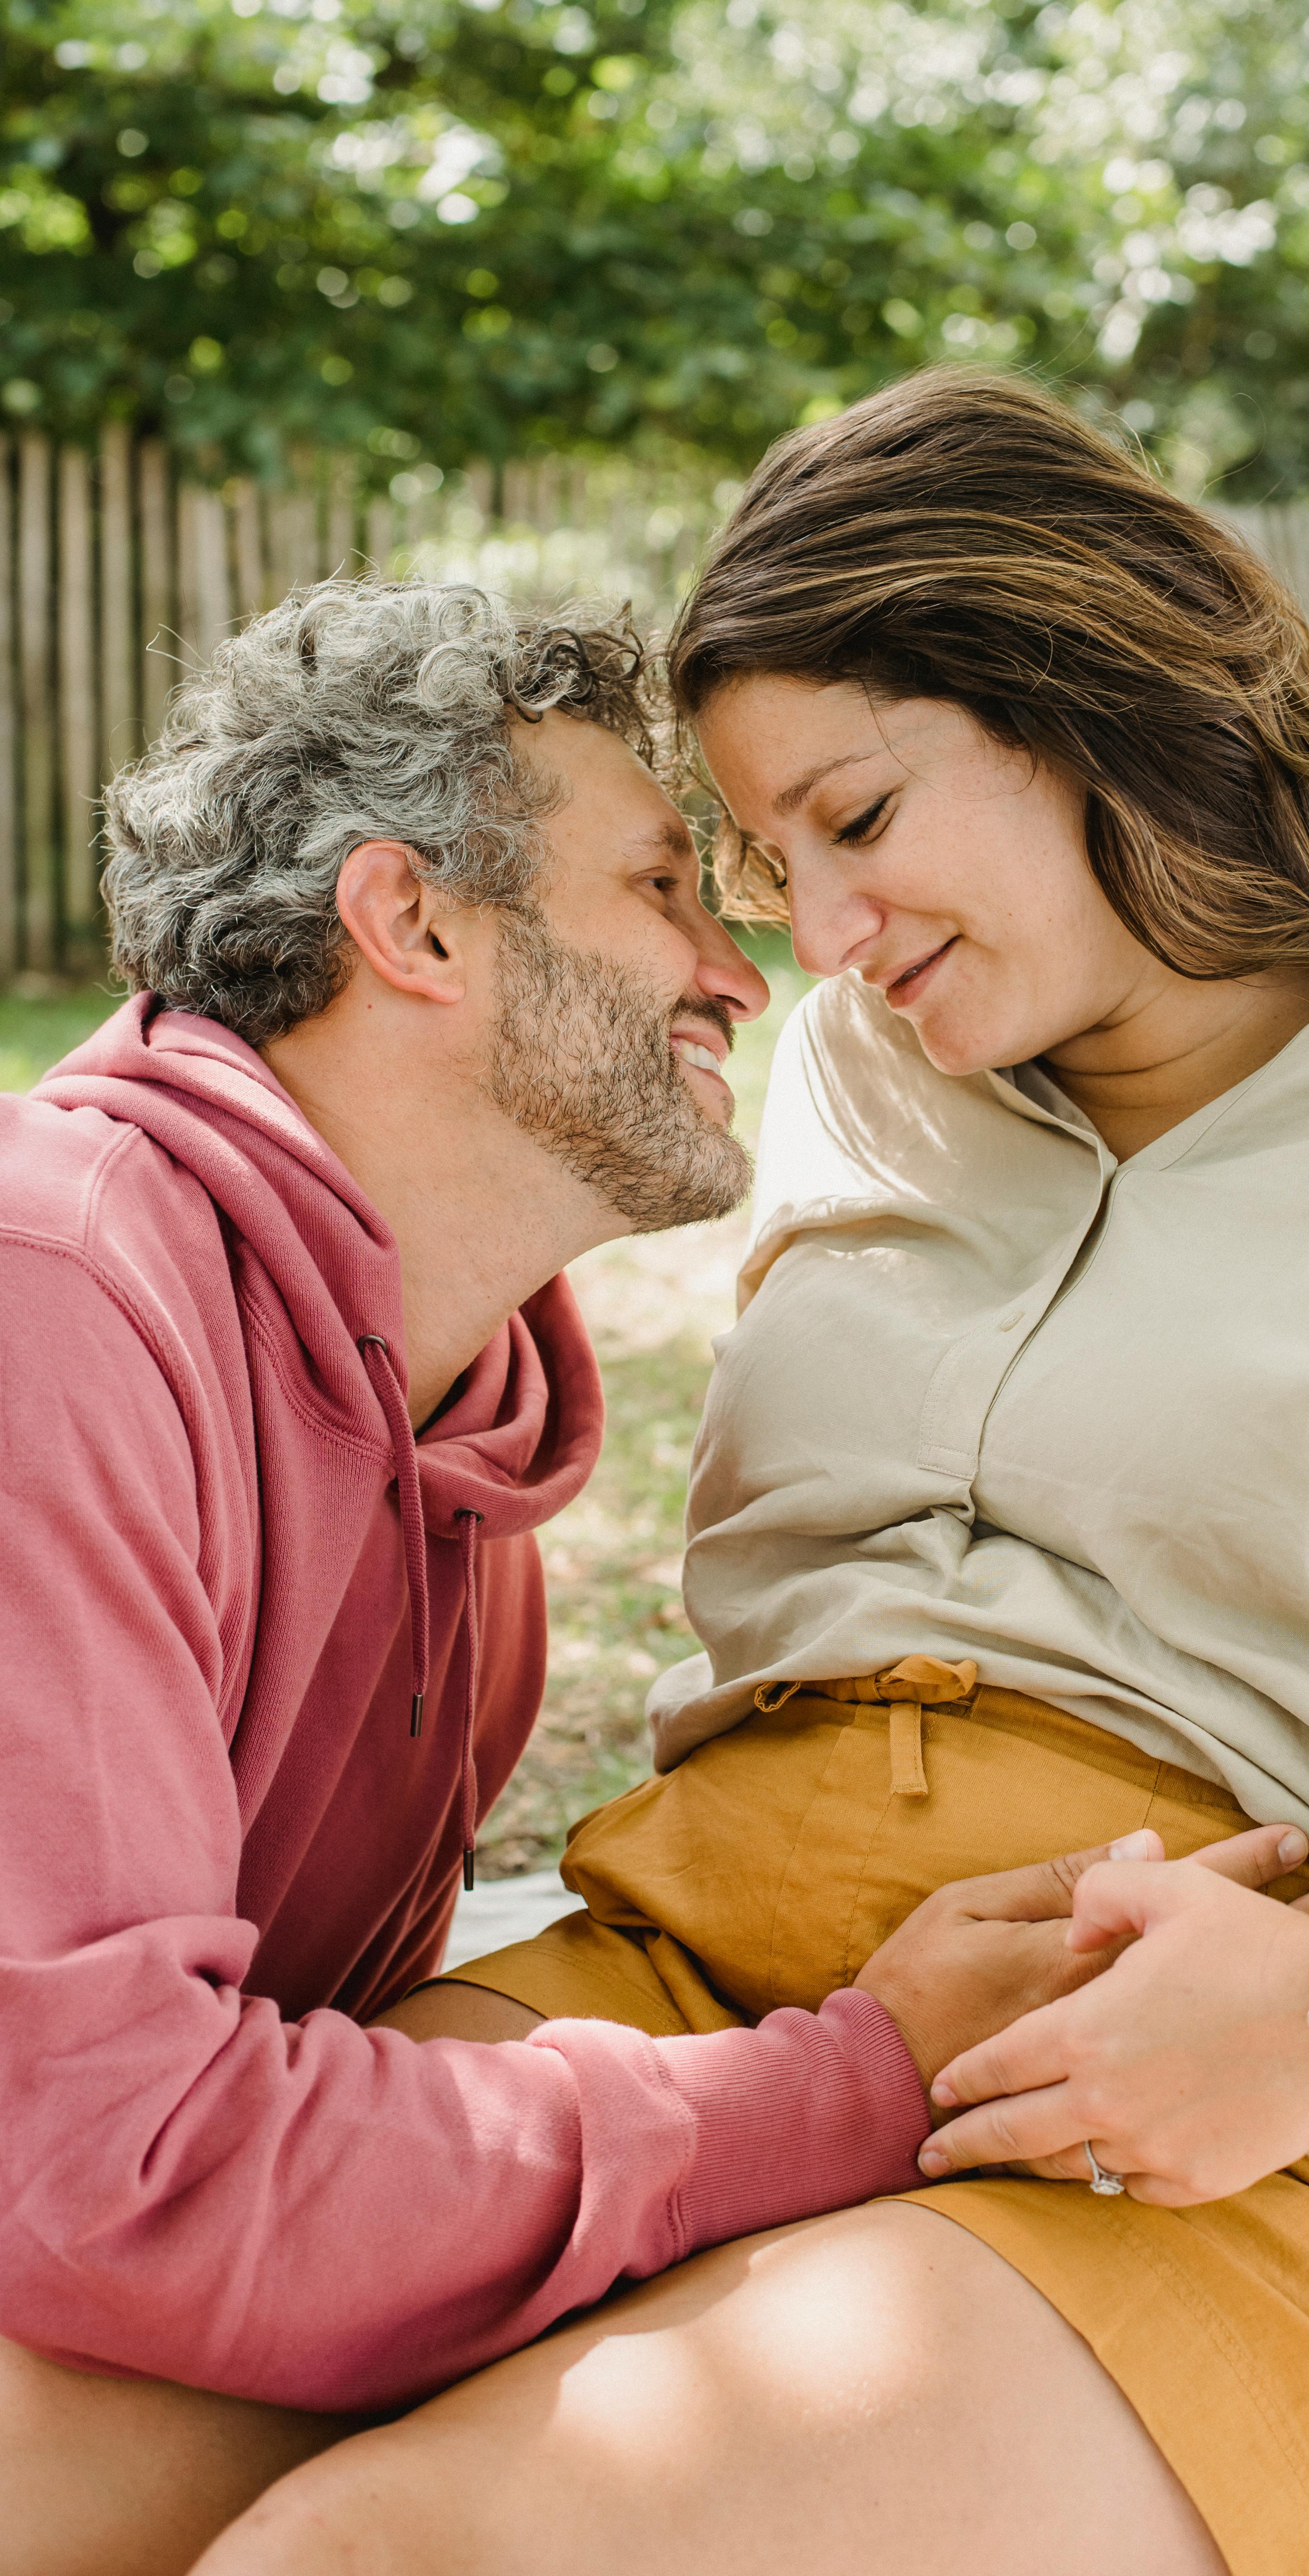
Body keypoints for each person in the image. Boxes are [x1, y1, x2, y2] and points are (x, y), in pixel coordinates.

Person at [196, 373, 1309, 2576]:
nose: (816, 937)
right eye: (767, 866)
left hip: (1283, 2113)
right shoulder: (874, 1081)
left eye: (860, 819)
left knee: (375, 2564)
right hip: (717, 1989)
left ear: (1082, 697)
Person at [0, 574, 1220, 2576]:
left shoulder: (458, 1467)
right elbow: (113, 2169)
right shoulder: (59, 1289)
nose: (744, 969)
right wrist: (843, 2088)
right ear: (412, 925)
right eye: (663, 885)